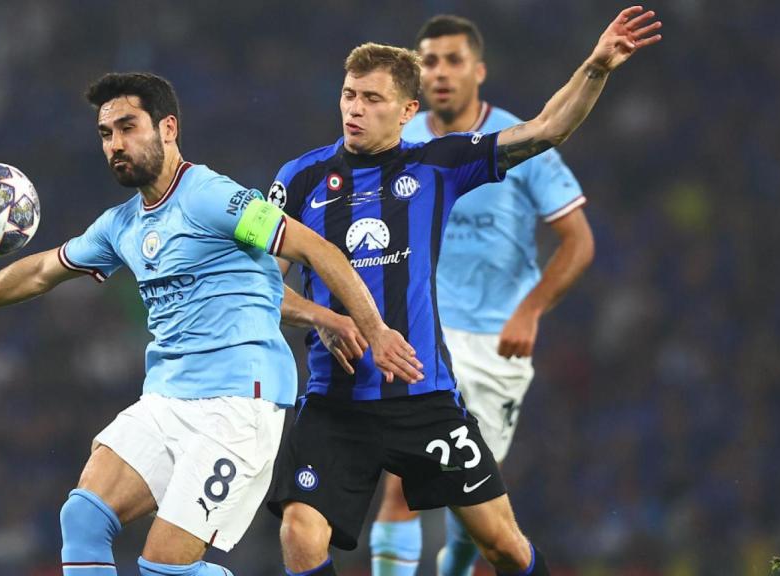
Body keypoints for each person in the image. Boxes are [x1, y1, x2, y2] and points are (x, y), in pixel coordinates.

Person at [0, 72, 422, 576]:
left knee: (161, 567)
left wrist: (373, 329)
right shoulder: (121, 225)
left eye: (128, 127)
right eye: (106, 134)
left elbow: (314, 248)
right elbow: (41, 271)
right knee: (82, 516)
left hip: (238, 405)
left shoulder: (212, 197)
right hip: (167, 399)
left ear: (167, 128)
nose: (115, 145)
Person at [264, 8, 660, 576]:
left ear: (407, 111)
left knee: (502, 545)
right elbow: (260, 289)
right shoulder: (299, 178)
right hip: (335, 405)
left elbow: (546, 128)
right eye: (349, 94)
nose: (355, 108)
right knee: (300, 534)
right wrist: (323, 320)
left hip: (423, 399)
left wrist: (596, 68)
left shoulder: (437, 164)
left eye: (373, 99)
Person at [369, 15, 595, 576]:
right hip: (421, 339)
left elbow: (578, 241)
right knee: (399, 486)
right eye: (428, 61)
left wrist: (531, 308)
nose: (439, 72)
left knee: (473, 508)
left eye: (452, 60)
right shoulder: (399, 140)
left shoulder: (518, 140)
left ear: (479, 70)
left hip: (495, 346)